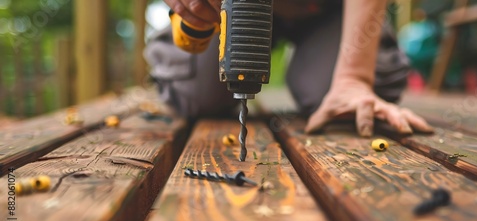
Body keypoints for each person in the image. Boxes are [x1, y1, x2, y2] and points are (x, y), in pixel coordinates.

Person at [146, 0, 434, 136]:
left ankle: (357, 57)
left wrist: (354, 77)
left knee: (334, 100)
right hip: (229, 5)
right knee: (198, 97)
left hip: (332, 9)